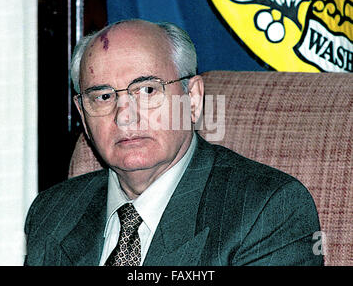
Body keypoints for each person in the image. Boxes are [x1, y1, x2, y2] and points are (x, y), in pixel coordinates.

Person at [24, 19, 323, 266]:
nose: (125, 116)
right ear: (83, 115)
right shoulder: (51, 213)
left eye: (148, 90)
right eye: (103, 97)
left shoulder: (268, 210)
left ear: (192, 99)